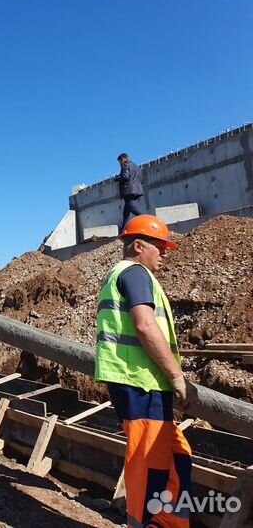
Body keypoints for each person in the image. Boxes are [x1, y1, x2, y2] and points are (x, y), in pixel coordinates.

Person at [96, 214, 193, 528]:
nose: (165, 254)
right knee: (151, 468)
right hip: (139, 382)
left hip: (144, 383)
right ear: (138, 246)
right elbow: (145, 325)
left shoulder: (127, 275)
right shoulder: (136, 273)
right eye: (160, 247)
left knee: (175, 455)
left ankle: (165, 522)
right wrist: (177, 376)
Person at [115, 153, 146, 227]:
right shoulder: (137, 167)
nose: (120, 164)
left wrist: (116, 178)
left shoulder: (125, 165)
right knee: (126, 213)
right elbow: (141, 178)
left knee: (131, 207)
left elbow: (125, 176)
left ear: (123, 159)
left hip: (128, 190)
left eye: (119, 162)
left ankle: (145, 218)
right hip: (137, 189)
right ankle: (123, 230)